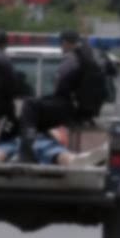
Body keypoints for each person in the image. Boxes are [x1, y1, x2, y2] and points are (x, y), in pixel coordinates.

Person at [18, 30, 108, 161]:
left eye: (61, 44)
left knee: (30, 105)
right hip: (84, 110)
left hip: (68, 107)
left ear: (65, 43)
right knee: (41, 116)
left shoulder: (72, 58)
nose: (61, 47)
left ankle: (26, 150)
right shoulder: (91, 56)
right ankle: (44, 147)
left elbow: (60, 82)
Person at [0, 134, 108, 167]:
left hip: (42, 139)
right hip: (23, 140)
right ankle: (76, 160)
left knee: (6, 148)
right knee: (55, 151)